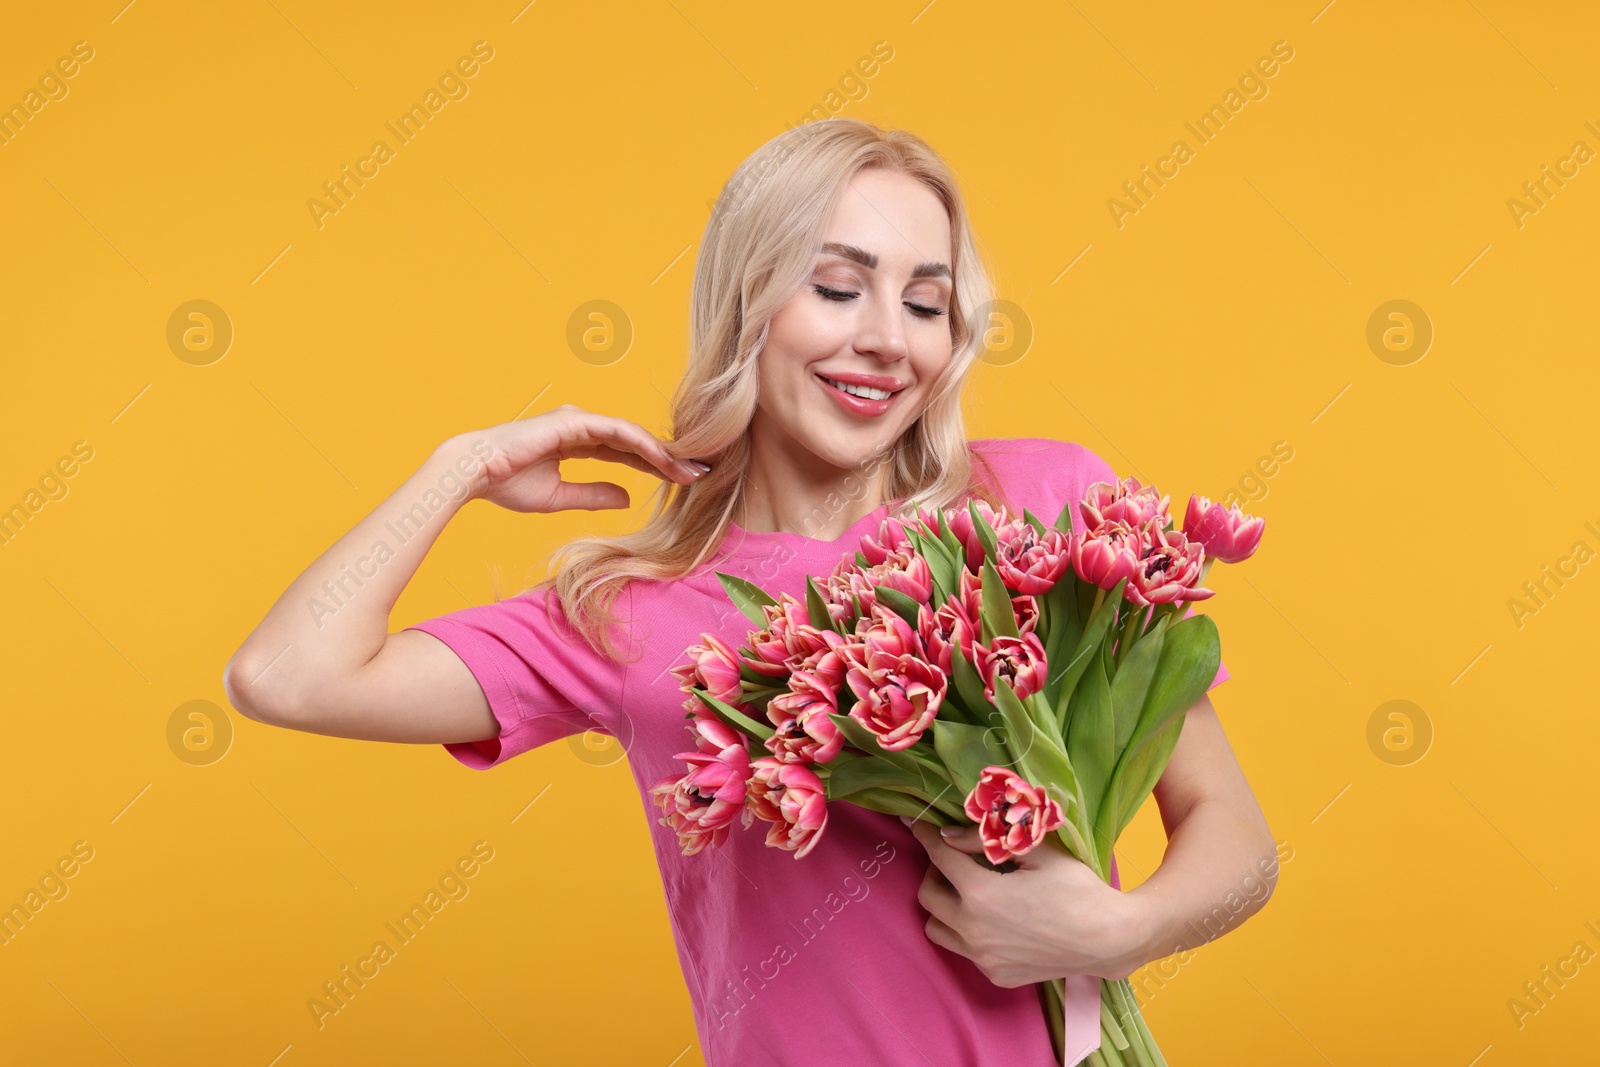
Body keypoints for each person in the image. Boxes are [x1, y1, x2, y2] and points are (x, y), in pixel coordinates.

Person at [224, 118, 1276, 1066]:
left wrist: (1115, 931)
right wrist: (458, 467)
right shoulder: (631, 610)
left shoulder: (1042, 506)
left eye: (924, 301)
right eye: (834, 286)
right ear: (746, 304)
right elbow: (287, 675)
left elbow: (1236, 835)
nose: (886, 338)